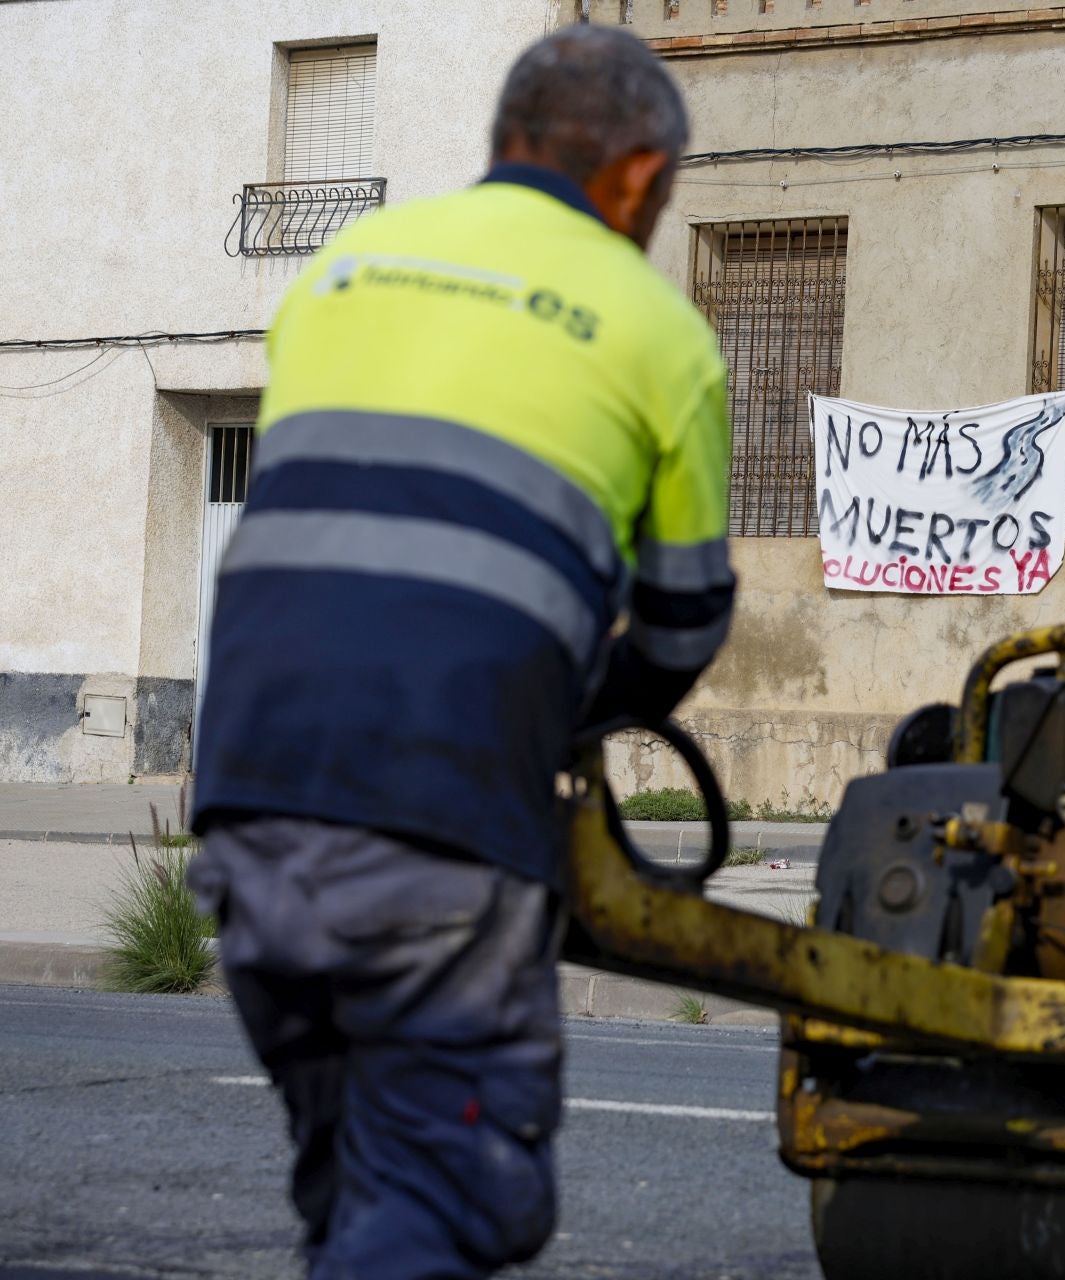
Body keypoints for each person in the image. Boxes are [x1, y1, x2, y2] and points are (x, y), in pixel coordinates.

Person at [187, 26, 733, 1279]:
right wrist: (580, 709)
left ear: (507, 141)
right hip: (435, 824)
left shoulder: (345, 266)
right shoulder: (660, 331)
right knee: (454, 1196)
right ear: (641, 176)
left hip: (248, 804)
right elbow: (686, 619)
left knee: (358, 1187)